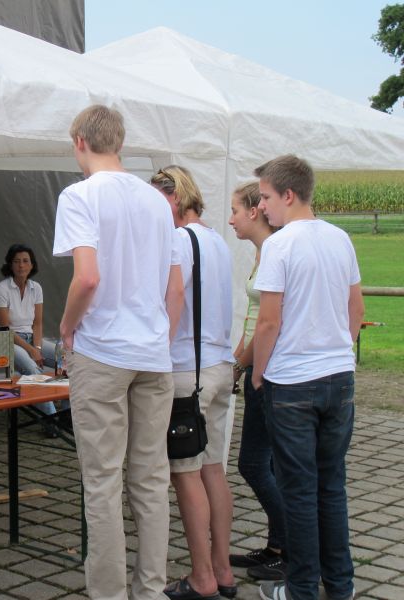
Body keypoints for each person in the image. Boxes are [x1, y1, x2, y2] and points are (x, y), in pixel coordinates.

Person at [53, 104, 184, 600]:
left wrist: (67, 326)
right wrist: (159, 339)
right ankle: (151, 591)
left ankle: (109, 594)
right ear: (120, 143)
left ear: (80, 142)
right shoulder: (157, 201)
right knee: (151, 479)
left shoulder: (80, 195)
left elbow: (87, 277)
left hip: (103, 351)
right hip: (152, 353)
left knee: (103, 481)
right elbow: (174, 289)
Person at [252, 155, 363, 600]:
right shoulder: (341, 238)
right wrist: (337, 350)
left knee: (299, 492)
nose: (261, 207)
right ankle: (340, 586)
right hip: (339, 378)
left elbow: (268, 322)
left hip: (293, 383)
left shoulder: (280, 245)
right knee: (331, 486)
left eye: (265, 197)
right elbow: (356, 309)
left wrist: (258, 372)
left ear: (289, 194)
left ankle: (300, 590)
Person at [150, 166, 236, 600]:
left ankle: (202, 576)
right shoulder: (217, 239)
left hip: (188, 371)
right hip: (219, 365)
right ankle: (223, 570)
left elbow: (175, 295)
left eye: (157, 201)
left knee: (185, 474)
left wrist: (159, 349)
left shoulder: (178, 240)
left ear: (175, 197)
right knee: (213, 469)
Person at [227, 182, 287, 581]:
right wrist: (237, 359)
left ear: (253, 212)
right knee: (265, 464)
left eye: (235, 210)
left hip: (267, 371)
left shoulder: (273, 253)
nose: (231, 219)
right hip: (257, 366)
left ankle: (292, 548)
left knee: (252, 463)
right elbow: (253, 319)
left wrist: (242, 365)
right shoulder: (263, 252)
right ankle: (277, 547)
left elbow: (268, 323)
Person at [0, 243, 59, 438]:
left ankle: (67, 414)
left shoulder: (36, 288)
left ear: (32, 265)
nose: (21, 265)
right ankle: (52, 422)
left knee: (66, 360)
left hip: (31, 339)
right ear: (10, 265)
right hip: (8, 340)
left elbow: (37, 323)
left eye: (25, 261)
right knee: (32, 369)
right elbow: (5, 329)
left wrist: (36, 347)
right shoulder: (1, 289)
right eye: (16, 261)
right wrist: (31, 350)